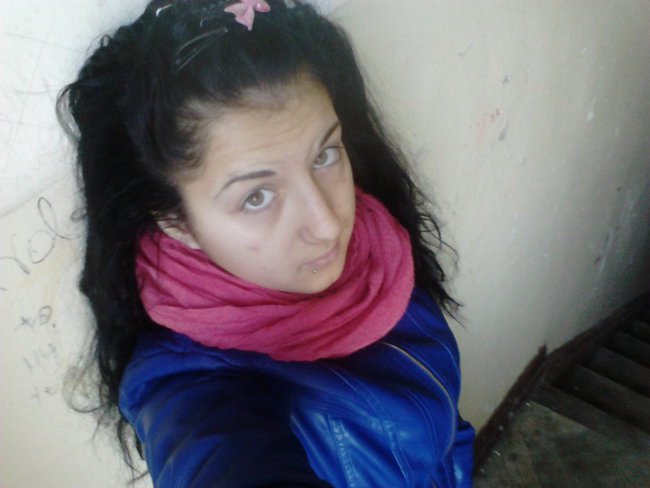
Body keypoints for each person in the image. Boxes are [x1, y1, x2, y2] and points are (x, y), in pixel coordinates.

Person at [58, 0, 475, 486]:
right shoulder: (187, 387)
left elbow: (442, 427)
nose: (328, 224)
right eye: (256, 197)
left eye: (324, 155)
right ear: (176, 222)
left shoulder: (378, 247)